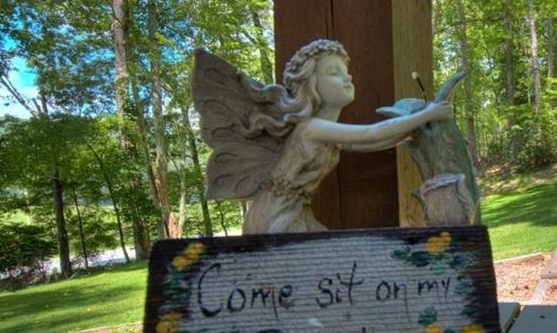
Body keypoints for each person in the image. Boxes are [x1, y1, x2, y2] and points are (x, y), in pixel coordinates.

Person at [193, 39, 452, 234]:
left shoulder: (327, 132)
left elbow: (373, 142)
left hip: (296, 214)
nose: (347, 76)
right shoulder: (312, 129)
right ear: (311, 83)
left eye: (345, 71)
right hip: (276, 218)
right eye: (334, 73)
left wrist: (412, 131)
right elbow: (370, 132)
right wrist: (425, 116)